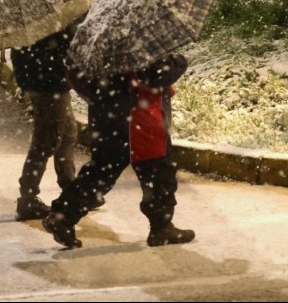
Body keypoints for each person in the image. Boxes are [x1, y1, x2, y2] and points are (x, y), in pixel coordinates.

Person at [43, 54, 195, 248]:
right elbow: (155, 76)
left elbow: (79, 79)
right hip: (139, 119)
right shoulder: (136, 43)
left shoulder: (98, 46)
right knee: (159, 173)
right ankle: (161, 227)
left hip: (106, 115)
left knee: (101, 171)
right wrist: (179, 61)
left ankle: (62, 217)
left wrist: (104, 96)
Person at [11, 24, 80, 221]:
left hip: (44, 81)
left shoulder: (26, 19)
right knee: (46, 140)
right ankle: (28, 198)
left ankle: (70, 189)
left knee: (67, 134)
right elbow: (62, 50)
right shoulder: (50, 22)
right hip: (48, 84)